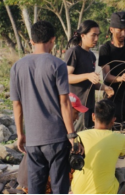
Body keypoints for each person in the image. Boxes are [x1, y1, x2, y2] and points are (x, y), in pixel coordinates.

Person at [10, 21, 82, 194]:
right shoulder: (57, 65)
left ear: (31, 41)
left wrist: (20, 134)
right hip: (56, 138)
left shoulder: (17, 67)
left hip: (33, 141)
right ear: (53, 40)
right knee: (59, 187)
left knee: (36, 189)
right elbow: (65, 103)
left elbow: (17, 104)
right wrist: (71, 135)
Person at [17, 93, 88, 194]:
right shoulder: (61, 134)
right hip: (38, 183)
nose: (77, 118)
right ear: (66, 110)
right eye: (76, 113)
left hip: (28, 181)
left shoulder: (45, 125)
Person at [71, 99, 125, 194]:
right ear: (113, 120)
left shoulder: (79, 136)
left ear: (93, 116)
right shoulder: (121, 139)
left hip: (78, 190)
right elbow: (123, 153)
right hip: (106, 191)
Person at [65, 20, 114, 131]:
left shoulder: (91, 56)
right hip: (76, 108)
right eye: (93, 35)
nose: (96, 39)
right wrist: (87, 75)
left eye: (98, 35)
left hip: (89, 106)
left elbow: (90, 81)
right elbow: (66, 77)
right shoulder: (74, 52)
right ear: (83, 35)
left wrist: (104, 88)